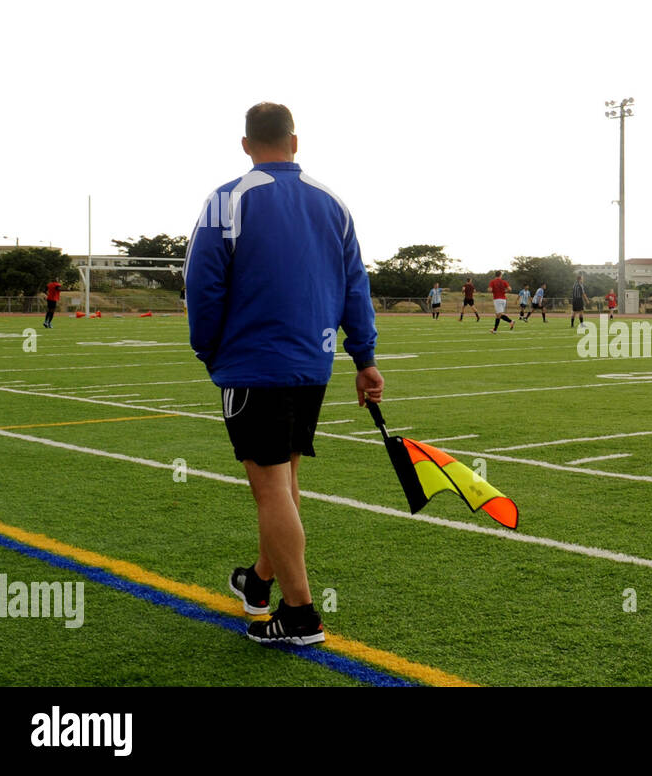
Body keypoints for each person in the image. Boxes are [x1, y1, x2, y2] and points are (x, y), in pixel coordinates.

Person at [184, 102, 383, 646]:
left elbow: (202, 285)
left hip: (254, 365)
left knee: (270, 488)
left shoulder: (227, 199)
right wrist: (364, 359)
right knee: (286, 482)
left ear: (246, 145)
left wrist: (210, 351)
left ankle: (299, 616)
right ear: (295, 142)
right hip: (311, 365)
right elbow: (354, 286)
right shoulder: (333, 204)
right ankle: (257, 583)